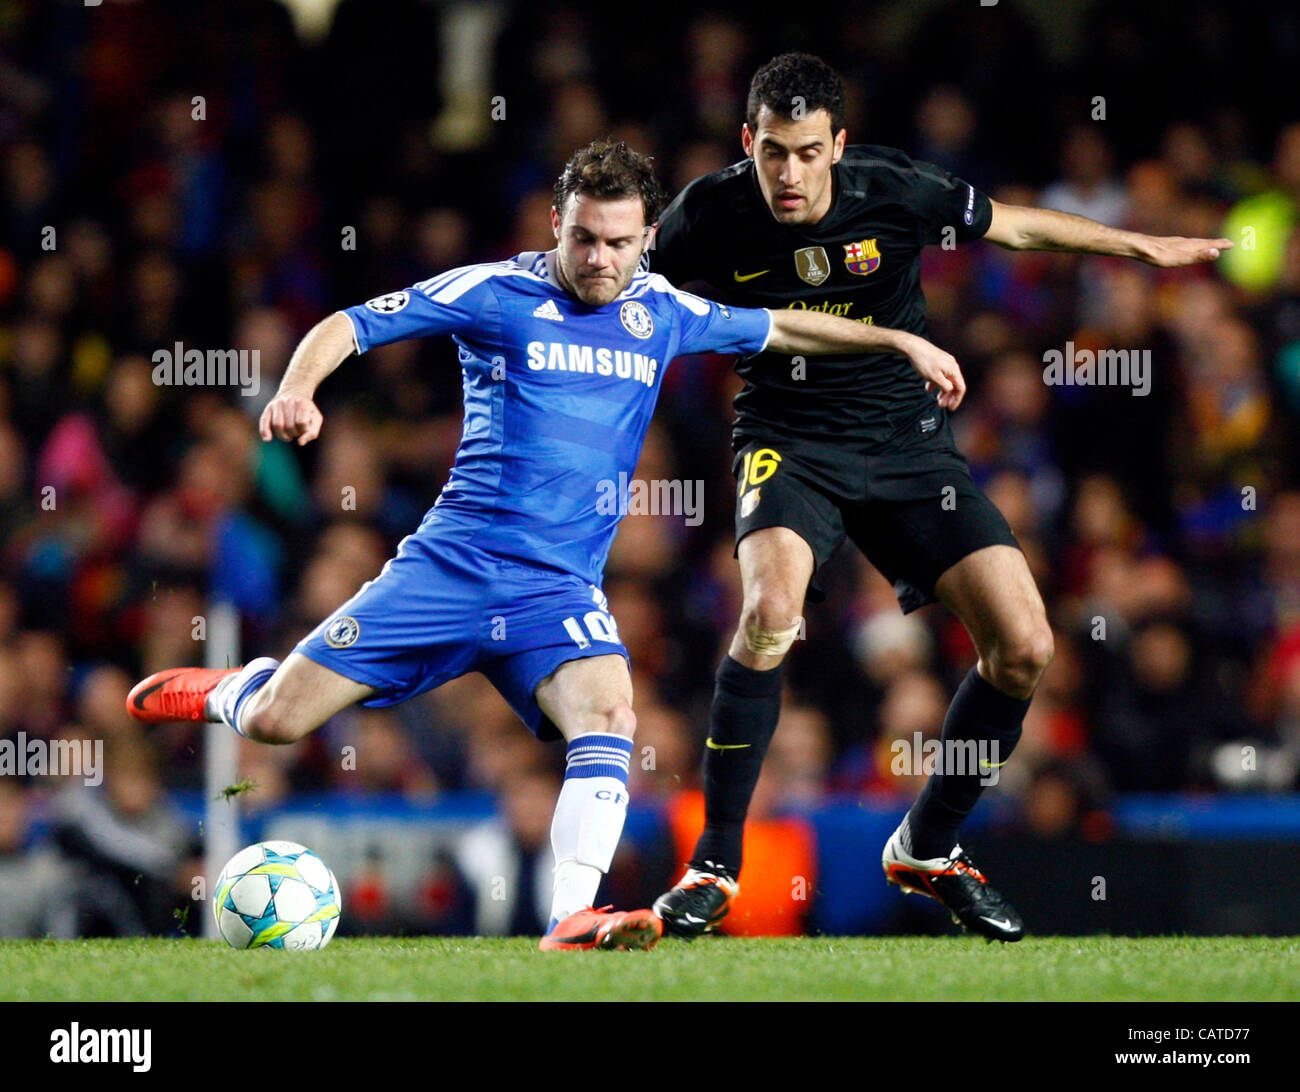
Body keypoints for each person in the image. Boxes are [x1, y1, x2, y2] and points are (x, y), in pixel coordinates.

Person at [127, 138, 966, 951]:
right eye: (583, 238)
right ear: (556, 222)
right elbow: (352, 323)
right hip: (450, 569)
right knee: (278, 723)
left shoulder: (661, 310)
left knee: (609, 711)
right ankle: (234, 691)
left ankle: (571, 915)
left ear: (646, 239)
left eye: (620, 243)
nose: (600, 259)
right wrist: (299, 389)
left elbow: (782, 327)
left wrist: (897, 339)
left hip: (556, 592)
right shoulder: (494, 292)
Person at [648, 53, 1232, 942]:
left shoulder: (895, 188)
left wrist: (1140, 246)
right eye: (773, 152)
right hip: (787, 442)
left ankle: (927, 843)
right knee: (769, 611)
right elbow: (612, 280)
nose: (790, 174)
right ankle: (714, 866)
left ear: (838, 145)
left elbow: (1017, 229)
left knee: (1026, 646)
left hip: (908, 447)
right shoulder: (704, 214)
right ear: (748, 143)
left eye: (809, 152)